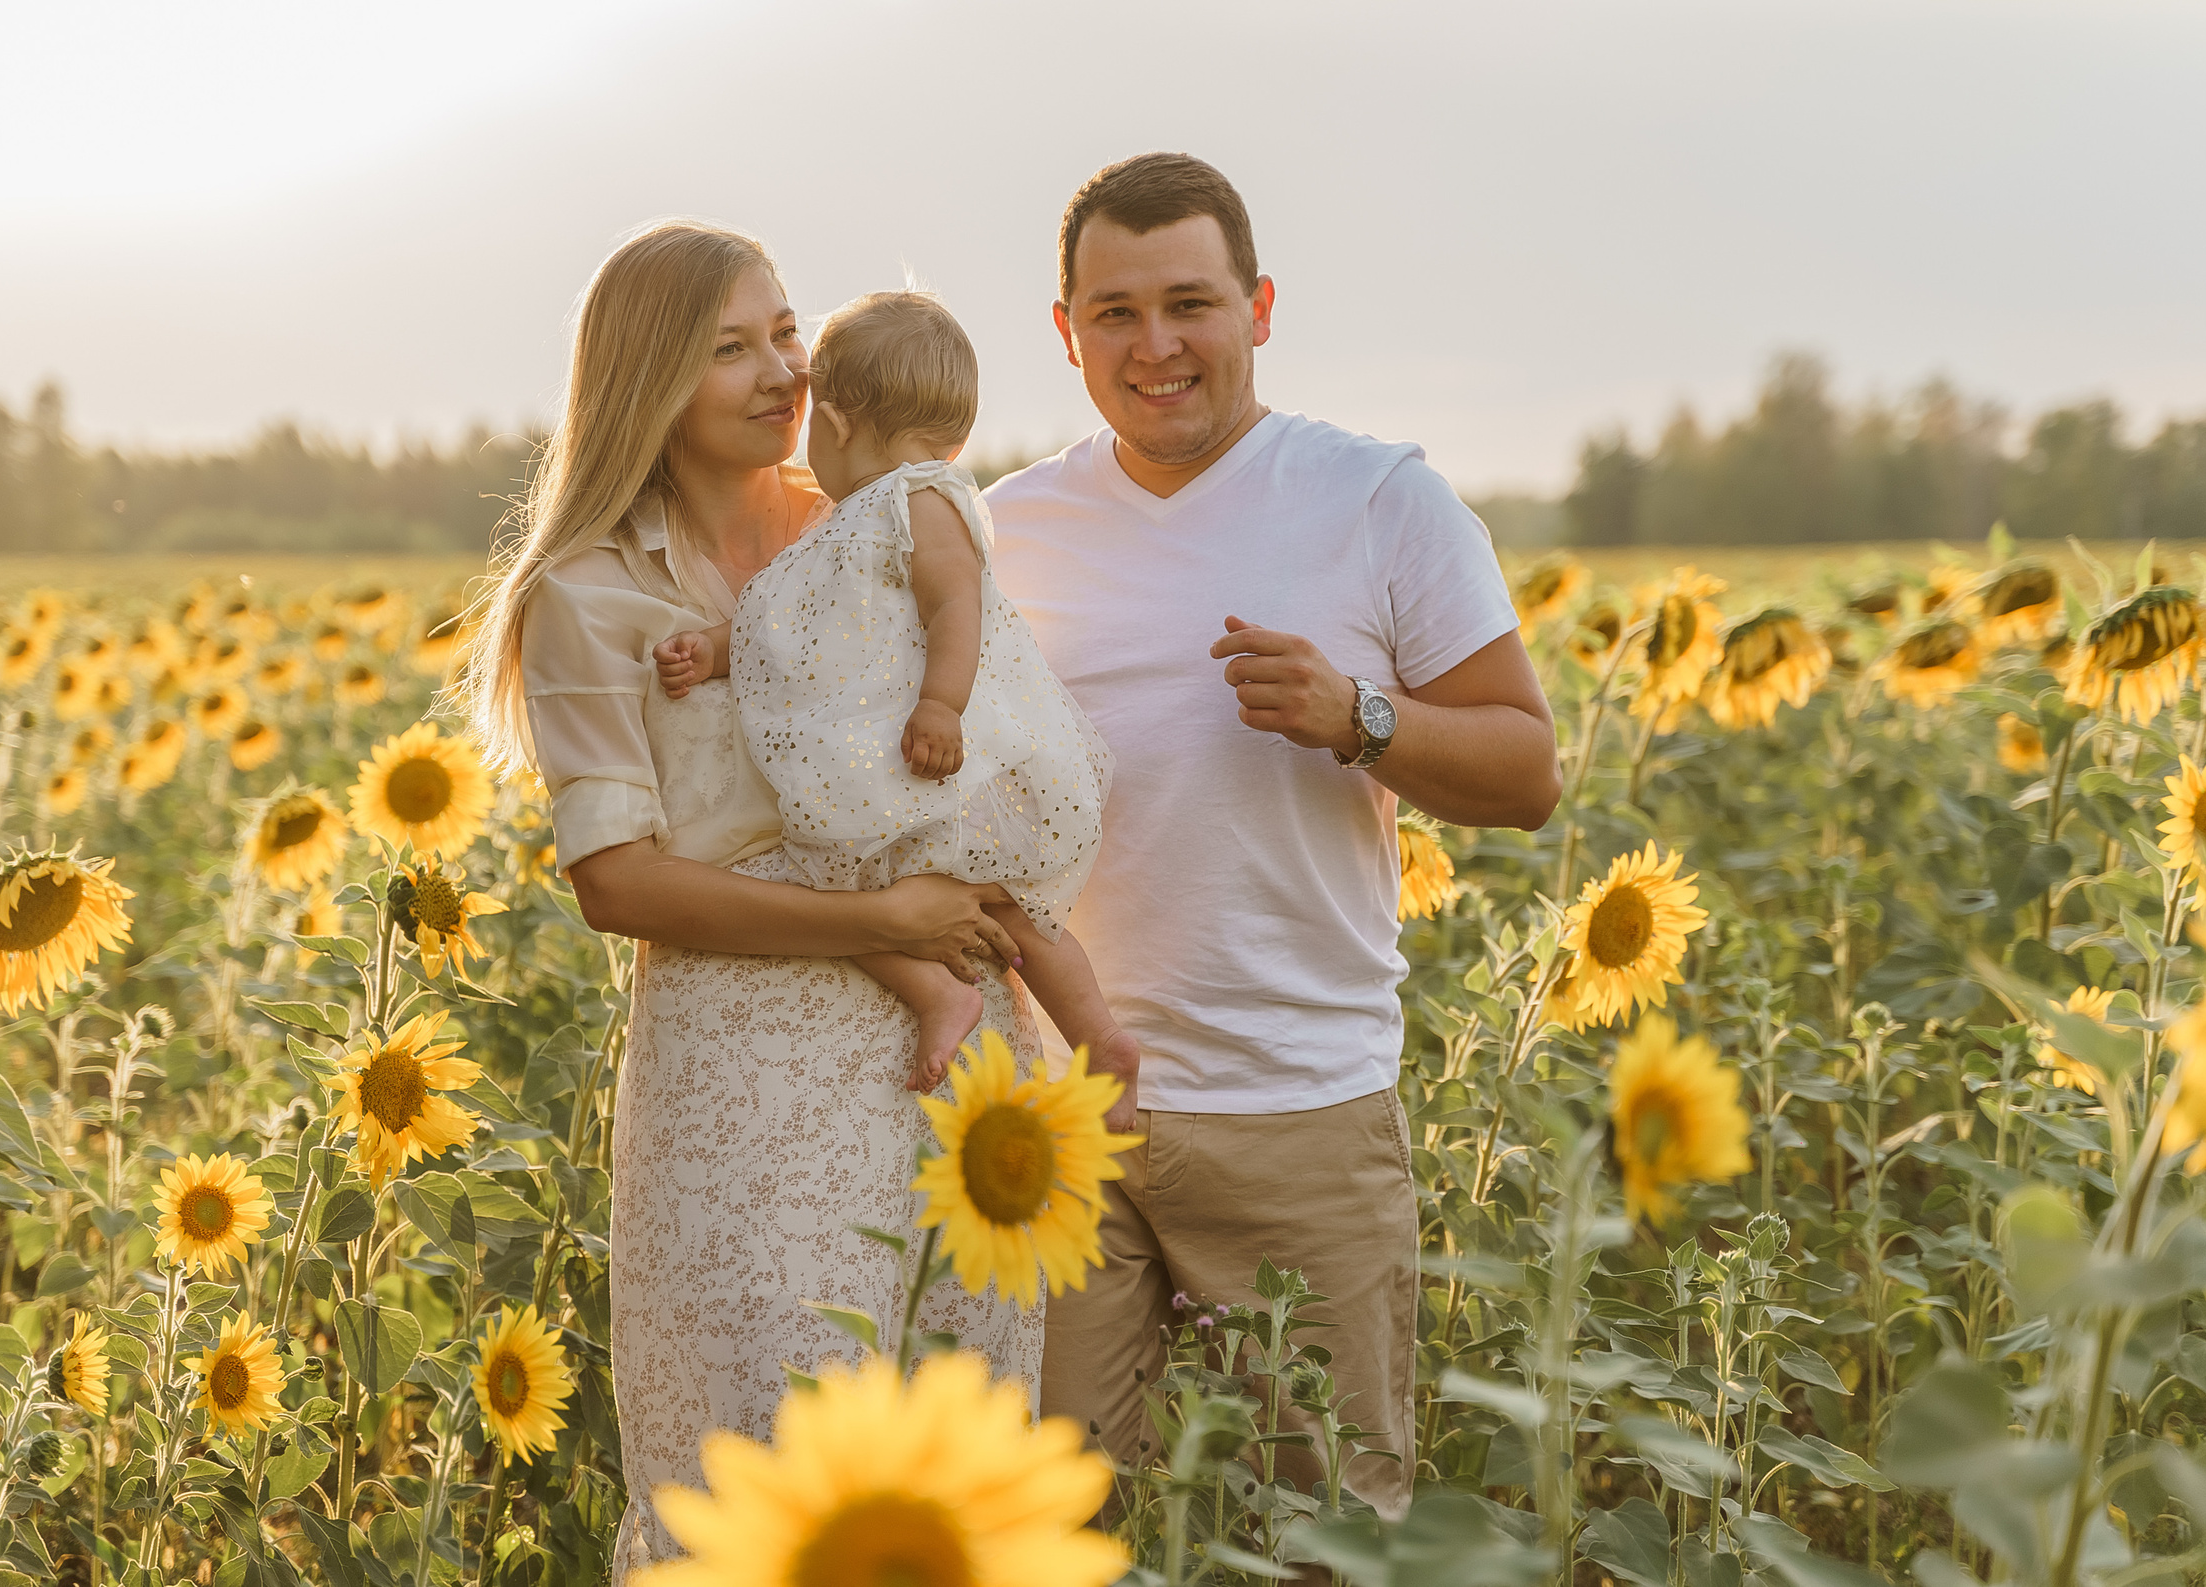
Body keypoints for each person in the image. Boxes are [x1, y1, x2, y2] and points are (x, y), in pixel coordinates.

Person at [460, 221, 1045, 1580]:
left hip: (955, 1053)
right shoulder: (587, 590)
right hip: (741, 1070)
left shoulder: (873, 522)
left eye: (786, 332)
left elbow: (993, 728)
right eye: (732, 347)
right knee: (760, 1469)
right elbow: (617, 880)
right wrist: (883, 924)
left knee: (959, 1468)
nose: (783, 370)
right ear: (650, 379)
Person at [986, 153, 1562, 1515]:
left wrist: (1359, 716)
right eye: (1115, 312)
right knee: (1050, 1523)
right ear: (1065, 331)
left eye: (1189, 303)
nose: (1155, 345)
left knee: (1325, 1527)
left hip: (1294, 1103)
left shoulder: (1378, 500)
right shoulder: (1003, 531)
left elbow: (1527, 770)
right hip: (1058, 1116)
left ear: (1258, 306)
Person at [651, 290, 1140, 1126]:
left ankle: (1092, 1035)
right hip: (885, 762)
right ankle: (992, 1009)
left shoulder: (920, 502)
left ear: (838, 425)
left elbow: (958, 605)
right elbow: (784, 623)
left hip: (937, 752)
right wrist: (713, 649)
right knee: (947, 896)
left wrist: (942, 705)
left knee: (893, 886)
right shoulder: (846, 526)